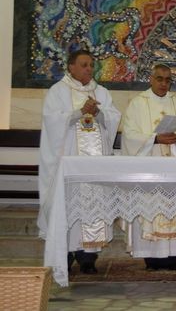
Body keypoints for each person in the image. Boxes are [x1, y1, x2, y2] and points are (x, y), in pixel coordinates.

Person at [38, 49, 121, 274]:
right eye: (84, 65)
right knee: (66, 205)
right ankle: (63, 255)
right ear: (70, 67)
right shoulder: (57, 91)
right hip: (68, 164)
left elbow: (113, 118)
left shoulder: (101, 92)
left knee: (92, 206)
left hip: (94, 166)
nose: (88, 69)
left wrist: (100, 114)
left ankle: (88, 257)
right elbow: (52, 120)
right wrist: (79, 112)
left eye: (91, 65)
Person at [121, 64, 176, 270]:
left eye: (168, 80)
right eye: (160, 79)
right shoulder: (138, 104)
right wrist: (154, 139)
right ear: (151, 79)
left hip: (172, 165)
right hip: (150, 167)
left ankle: (172, 256)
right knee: (151, 208)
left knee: (173, 207)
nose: (164, 84)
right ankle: (151, 257)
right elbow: (129, 134)